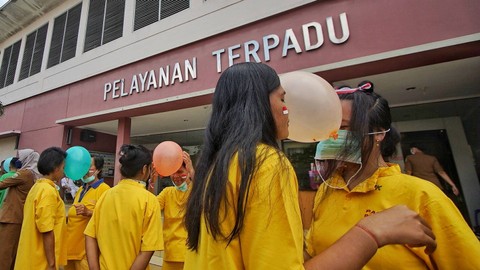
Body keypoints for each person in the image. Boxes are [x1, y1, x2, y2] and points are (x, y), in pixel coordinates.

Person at [183, 62, 436, 270]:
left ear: (380, 134)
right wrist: (371, 233)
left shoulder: (216, 165)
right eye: (282, 99)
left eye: (343, 128)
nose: (288, 110)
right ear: (259, 103)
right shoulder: (265, 163)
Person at [305, 81, 480, 269]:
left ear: (379, 133)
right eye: (328, 128)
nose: (332, 135)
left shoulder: (422, 195)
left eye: (343, 128)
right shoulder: (326, 190)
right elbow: (312, 254)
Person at [85, 144, 163, 270]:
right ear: (144, 169)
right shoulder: (150, 201)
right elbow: (148, 249)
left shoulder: (106, 195)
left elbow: (90, 235)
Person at [15, 147, 68, 270]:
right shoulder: (47, 191)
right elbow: (46, 229)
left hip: (31, 256)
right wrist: (51, 264)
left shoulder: (37, 187)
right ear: (56, 168)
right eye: (63, 167)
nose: (64, 172)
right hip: (40, 260)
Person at [65, 155, 110, 270]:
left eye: (89, 166)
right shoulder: (81, 189)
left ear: (98, 170)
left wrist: (89, 212)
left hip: (85, 252)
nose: (84, 169)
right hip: (70, 248)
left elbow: (108, 218)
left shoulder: (104, 190)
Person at [0, 149, 39, 270]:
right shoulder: (32, 175)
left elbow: (2, 183)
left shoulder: (25, 174)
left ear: (27, 159)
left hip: (11, 218)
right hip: (17, 217)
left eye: (21, 158)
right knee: (12, 251)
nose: (19, 161)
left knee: (4, 252)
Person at [157, 151, 194, 270]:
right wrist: (151, 183)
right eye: (173, 172)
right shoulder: (167, 192)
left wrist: (192, 171)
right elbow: (150, 208)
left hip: (191, 253)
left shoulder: (196, 191)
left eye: (180, 171)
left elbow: (206, 191)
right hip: (170, 253)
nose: (176, 176)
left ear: (188, 172)